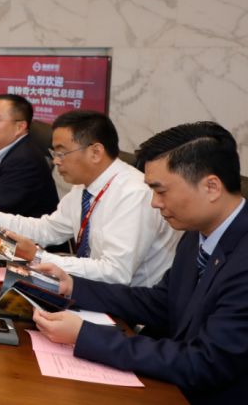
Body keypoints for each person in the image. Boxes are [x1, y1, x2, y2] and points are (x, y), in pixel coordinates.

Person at [33, 122, 248, 404]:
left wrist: (86, 335)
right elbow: (161, 303)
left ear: (211, 187)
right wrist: (73, 287)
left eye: (161, 191)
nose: (154, 203)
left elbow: (204, 362)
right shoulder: (196, 233)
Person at [0, 111, 179, 286]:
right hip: (91, 288)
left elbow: (115, 273)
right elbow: (47, 229)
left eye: (62, 153)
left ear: (95, 152)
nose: (56, 161)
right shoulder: (84, 187)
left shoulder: (134, 194)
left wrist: (38, 257)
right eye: (54, 153)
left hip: (129, 310)